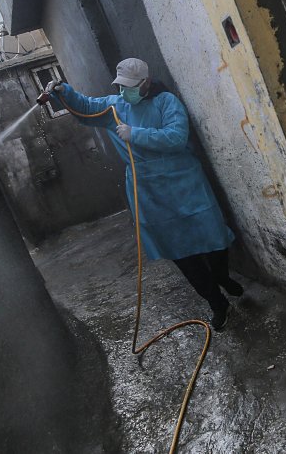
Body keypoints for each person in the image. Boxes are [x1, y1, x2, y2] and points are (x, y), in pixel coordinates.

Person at [45, 58, 242, 330]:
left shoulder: (167, 102)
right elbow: (86, 108)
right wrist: (63, 92)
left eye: (130, 86)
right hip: (147, 190)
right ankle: (217, 302)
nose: (125, 91)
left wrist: (135, 133)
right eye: (121, 86)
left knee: (213, 235)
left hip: (184, 181)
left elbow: (175, 137)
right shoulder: (115, 106)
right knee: (180, 253)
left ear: (146, 83)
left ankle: (222, 276)